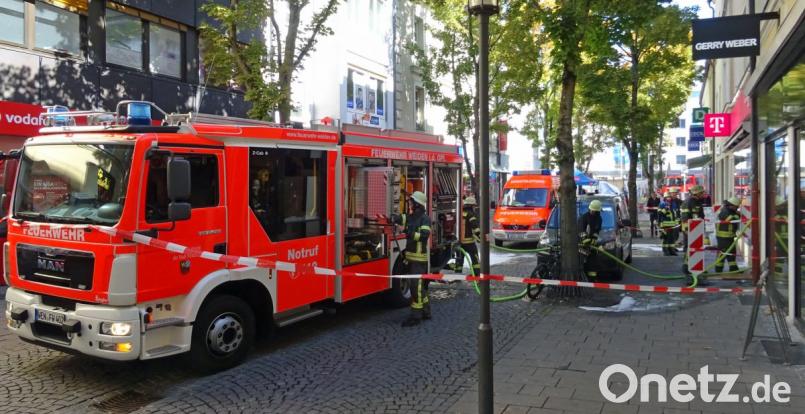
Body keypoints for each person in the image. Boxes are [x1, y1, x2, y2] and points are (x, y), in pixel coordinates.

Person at [391, 191, 432, 327]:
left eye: (411, 201)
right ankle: (426, 311)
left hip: (419, 260)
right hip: (410, 258)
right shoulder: (411, 217)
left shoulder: (425, 219)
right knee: (419, 288)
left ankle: (416, 316)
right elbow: (401, 218)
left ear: (417, 204)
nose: (409, 203)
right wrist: (390, 218)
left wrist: (406, 230)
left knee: (415, 288)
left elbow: (424, 236)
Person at [680, 185, 706, 281]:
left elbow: (699, 215)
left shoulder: (697, 201)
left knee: (696, 248)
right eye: (701, 193)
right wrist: (687, 230)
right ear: (697, 193)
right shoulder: (688, 202)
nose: (703, 194)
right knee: (690, 248)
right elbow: (685, 218)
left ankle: (694, 267)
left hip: (696, 229)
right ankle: (687, 267)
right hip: (690, 229)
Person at [452, 196, 480, 274]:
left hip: (459, 242)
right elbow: (475, 227)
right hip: (469, 242)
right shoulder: (471, 214)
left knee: (459, 259)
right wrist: (480, 237)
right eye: (474, 205)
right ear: (471, 205)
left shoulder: (460, 213)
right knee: (475, 259)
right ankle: (477, 274)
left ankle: (457, 275)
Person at [714, 197, 741, 273]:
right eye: (736, 207)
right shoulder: (725, 211)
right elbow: (730, 219)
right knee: (723, 253)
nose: (737, 208)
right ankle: (718, 269)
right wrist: (737, 215)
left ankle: (733, 268)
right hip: (724, 236)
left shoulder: (728, 210)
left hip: (728, 236)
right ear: (732, 205)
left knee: (731, 252)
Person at [578, 199, 603, 278]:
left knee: (593, 260)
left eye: (594, 211)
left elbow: (596, 231)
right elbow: (580, 230)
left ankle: (592, 277)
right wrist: (585, 239)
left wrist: (594, 240)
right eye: (591, 210)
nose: (592, 212)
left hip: (591, 245)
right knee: (581, 261)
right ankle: (581, 276)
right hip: (581, 245)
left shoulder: (599, 219)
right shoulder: (584, 218)